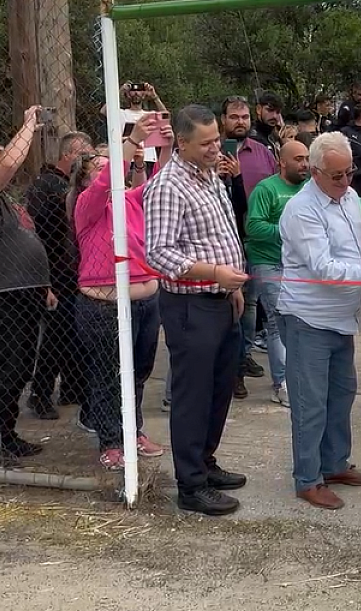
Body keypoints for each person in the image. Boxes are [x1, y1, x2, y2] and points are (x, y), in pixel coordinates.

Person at [277, 131, 361, 510]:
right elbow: (323, 268)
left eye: (350, 173)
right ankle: (307, 478)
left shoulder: (347, 198)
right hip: (308, 319)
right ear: (314, 172)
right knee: (310, 403)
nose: (346, 181)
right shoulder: (301, 210)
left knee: (341, 395)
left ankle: (334, 464)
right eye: (337, 175)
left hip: (342, 320)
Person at [144, 105, 249, 517]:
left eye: (216, 139)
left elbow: (221, 232)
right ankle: (190, 485)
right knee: (193, 395)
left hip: (222, 300)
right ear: (181, 143)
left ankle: (206, 463)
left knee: (220, 389)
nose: (214, 148)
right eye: (205, 143)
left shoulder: (209, 176)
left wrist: (231, 284)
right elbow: (158, 253)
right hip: (191, 305)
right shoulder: (168, 185)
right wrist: (213, 273)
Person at [72, 113, 168, 470]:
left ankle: (134, 431)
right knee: (108, 374)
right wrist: (129, 142)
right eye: (100, 165)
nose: (111, 169)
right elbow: (104, 184)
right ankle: (111, 440)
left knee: (139, 372)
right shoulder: (88, 206)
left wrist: (167, 144)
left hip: (146, 302)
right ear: (85, 178)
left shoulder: (130, 200)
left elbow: (163, 183)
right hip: (104, 307)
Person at [0, 107, 52, 458]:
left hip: (24, 289)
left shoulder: (4, 200)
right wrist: (28, 122)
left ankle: (5, 431)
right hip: (2, 292)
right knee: (8, 363)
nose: (2, 155)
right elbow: (11, 163)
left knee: (20, 364)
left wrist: (42, 284)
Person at [25, 131, 92, 418]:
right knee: (55, 334)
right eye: (83, 154)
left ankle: (72, 387)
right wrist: (45, 278)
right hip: (52, 271)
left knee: (71, 332)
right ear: (68, 155)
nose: (87, 159)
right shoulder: (47, 185)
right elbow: (39, 233)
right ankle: (40, 393)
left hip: (71, 269)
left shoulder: (66, 186)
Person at [245, 139, 310, 406]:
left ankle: (299, 378)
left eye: (307, 158)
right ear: (282, 161)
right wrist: (287, 234)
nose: (304, 164)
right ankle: (281, 384)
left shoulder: (310, 188)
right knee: (277, 322)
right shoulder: (266, 189)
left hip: (300, 265)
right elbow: (253, 227)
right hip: (268, 262)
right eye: (298, 159)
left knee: (299, 321)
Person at [219, 95, 276, 395]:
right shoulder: (210, 153)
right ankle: (231, 365)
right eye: (233, 117)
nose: (240, 122)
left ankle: (242, 360)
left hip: (253, 240)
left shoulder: (263, 154)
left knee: (251, 306)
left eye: (244, 117)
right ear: (223, 120)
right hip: (218, 244)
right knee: (230, 307)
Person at [113, 81, 167, 174]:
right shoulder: (121, 113)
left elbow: (166, 117)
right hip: (128, 158)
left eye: (139, 91)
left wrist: (154, 96)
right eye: (133, 91)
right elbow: (104, 110)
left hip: (148, 158)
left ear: (144, 94)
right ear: (128, 94)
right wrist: (120, 92)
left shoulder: (150, 114)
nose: (136, 93)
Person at [250, 92, 283, 157]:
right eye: (270, 110)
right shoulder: (252, 138)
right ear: (259, 109)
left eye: (278, 112)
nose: (274, 116)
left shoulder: (275, 137)